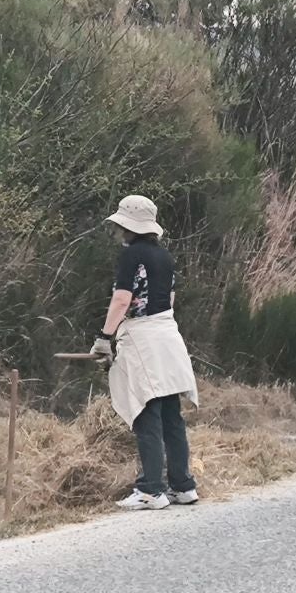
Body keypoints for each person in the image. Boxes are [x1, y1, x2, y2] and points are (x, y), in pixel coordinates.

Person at [91, 193, 199, 510]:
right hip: (168, 334)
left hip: (143, 339)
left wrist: (104, 337)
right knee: (171, 416)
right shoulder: (165, 257)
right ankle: (183, 486)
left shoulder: (130, 256)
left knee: (146, 413)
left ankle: (152, 490)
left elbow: (122, 300)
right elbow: (171, 300)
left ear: (126, 227)